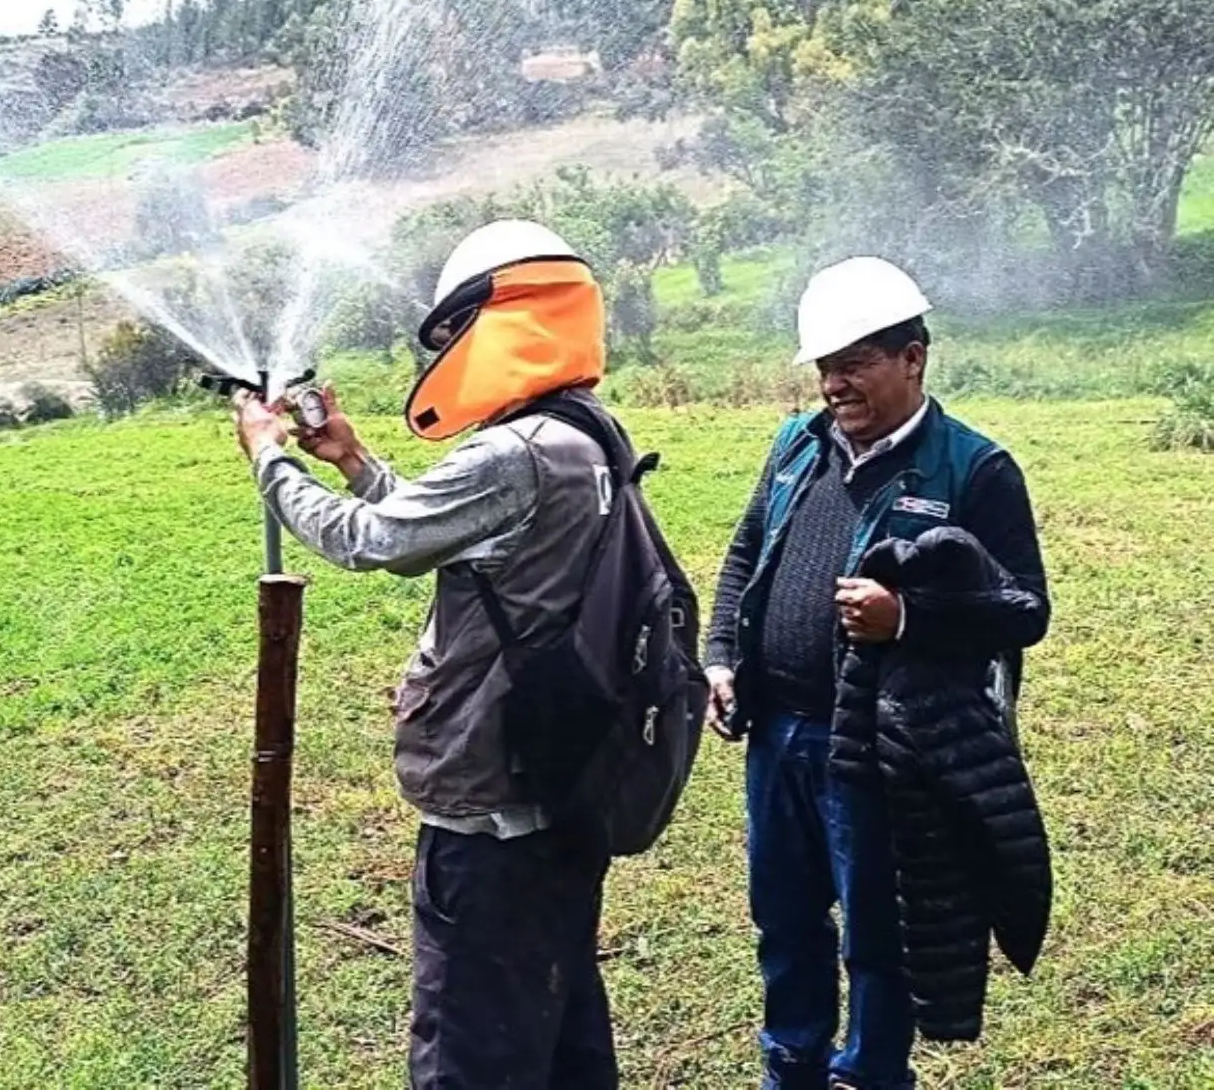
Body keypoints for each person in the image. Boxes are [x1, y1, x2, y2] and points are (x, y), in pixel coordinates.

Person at [232, 220, 629, 1088]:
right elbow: (467, 537)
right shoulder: (585, 433)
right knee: (562, 1039)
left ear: (506, 320)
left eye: (454, 333)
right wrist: (353, 458)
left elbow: (372, 542)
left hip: (490, 822)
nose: (446, 352)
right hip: (559, 795)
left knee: (471, 1059)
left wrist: (270, 457)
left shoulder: (514, 450)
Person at [701, 256, 1051, 1090]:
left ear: (913, 358)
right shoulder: (797, 445)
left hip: (884, 746)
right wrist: (720, 657)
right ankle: (792, 1066)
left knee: (876, 930)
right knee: (783, 919)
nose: (834, 384)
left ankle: (872, 1073)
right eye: (824, 366)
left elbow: (1024, 610)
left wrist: (909, 621)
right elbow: (747, 552)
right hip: (779, 732)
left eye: (854, 362)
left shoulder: (973, 468)